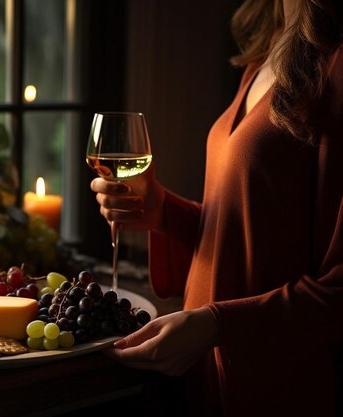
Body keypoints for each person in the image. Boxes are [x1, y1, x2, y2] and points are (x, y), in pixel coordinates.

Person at [90, 0, 343, 416]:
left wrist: (217, 325)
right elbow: (248, 233)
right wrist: (161, 210)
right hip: (205, 366)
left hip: (275, 385)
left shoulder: (336, 67)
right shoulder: (267, 57)